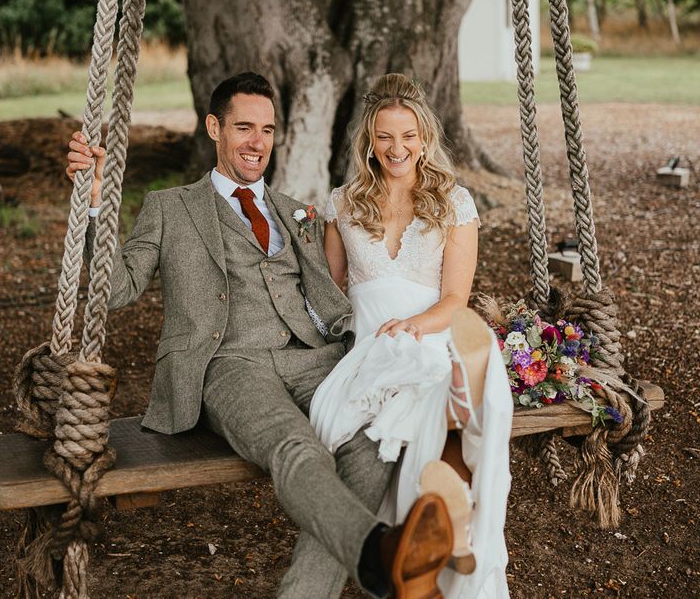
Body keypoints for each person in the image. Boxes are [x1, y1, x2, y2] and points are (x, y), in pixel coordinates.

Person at [65, 71, 457, 599]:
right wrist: (91, 203)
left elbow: (331, 294)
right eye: (244, 127)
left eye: (267, 130)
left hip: (312, 358)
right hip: (228, 365)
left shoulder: (296, 211)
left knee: (371, 445)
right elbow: (116, 289)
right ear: (213, 128)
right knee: (299, 448)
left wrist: (371, 343)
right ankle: (379, 553)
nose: (257, 142)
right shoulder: (170, 207)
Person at [310, 73, 514, 598]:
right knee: (411, 399)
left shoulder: (454, 203)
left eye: (408, 136)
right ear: (369, 142)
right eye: (385, 137)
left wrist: (412, 326)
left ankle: (436, 538)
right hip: (368, 341)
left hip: (433, 329)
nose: (397, 148)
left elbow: (454, 301)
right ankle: (445, 531)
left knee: (437, 383)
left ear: (424, 138)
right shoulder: (343, 204)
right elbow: (332, 293)